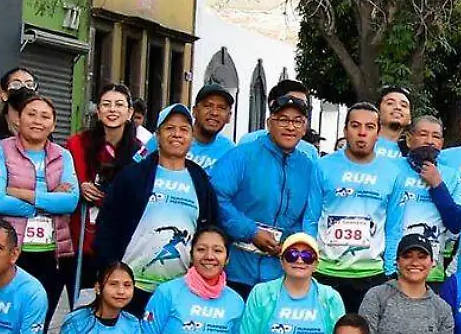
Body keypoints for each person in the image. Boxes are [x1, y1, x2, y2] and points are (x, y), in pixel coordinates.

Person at [94, 103, 220, 314]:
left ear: (191, 138)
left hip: (178, 291)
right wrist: (107, 272)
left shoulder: (200, 180)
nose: (177, 134)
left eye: (184, 129)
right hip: (129, 287)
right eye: (169, 128)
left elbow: (211, 228)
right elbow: (107, 226)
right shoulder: (132, 176)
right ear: (158, 135)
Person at [0, 91, 82, 326]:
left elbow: (70, 201)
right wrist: (47, 202)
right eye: (31, 114)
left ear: (53, 124)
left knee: (39, 323)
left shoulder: (63, 155)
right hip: (12, 250)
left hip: (53, 253)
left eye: (45, 116)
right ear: (19, 119)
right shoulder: (1, 150)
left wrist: (20, 193)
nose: (38, 121)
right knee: (7, 320)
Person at [212, 92, 321, 298]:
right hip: (236, 272)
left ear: (305, 127)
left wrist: (291, 243)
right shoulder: (242, 155)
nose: (290, 127)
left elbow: (310, 215)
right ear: (269, 122)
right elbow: (216, 197)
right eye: (283, 120)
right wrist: (250, 231)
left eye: (297, 121)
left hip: (280, 276)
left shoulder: (309, 166)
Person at [313, 102, 404, 313]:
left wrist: (390, 270)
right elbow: (311, 217)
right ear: (345, 130)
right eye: (355, 126)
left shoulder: (392, 172)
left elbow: (393, 226)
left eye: (369, 127)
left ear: (378, 132)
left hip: (370, 274)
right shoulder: (323, 166)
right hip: (326, 271)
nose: (362, 133)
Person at [67, 82, 143, 293]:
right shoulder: (77, 143)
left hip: (120, 237)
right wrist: (80, 186)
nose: (112, 110)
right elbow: (70, 179)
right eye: (106, 104)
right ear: (98, 111)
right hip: (82, 235)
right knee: (83, 297)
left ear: (129, 113)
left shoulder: (139, 152)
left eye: (119, 105)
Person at [389, 114, 461, 284]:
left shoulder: (451, 175)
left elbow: (456, 223)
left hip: (432, 272)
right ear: (409, 139)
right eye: (423, 134)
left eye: (436, 136)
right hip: (393, 268)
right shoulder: (391, 169)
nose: (430, 141)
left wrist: (437, 185)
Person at [138, 81, 237, 171]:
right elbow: (136, 165)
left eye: (221, 108)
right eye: (208, 106)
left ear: (229, 117)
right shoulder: (167, 138)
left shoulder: (230, 151)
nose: (214, 112)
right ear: (194, 111)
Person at [375, 85, 414, 157]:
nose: (398, 107)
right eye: (390, 103)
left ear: (410, 119)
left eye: (403, 105)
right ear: (377, 112)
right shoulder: (362, 142)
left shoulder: (412, 153)